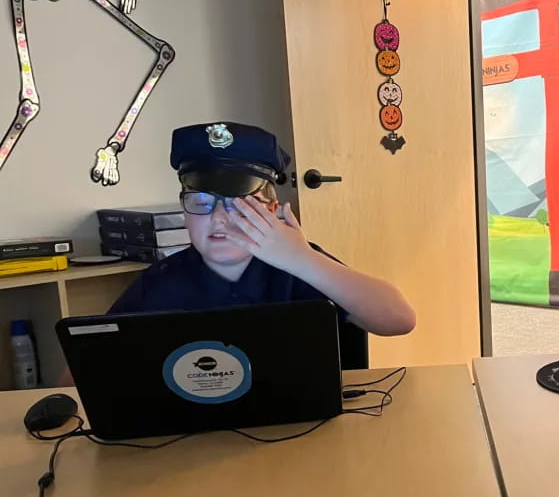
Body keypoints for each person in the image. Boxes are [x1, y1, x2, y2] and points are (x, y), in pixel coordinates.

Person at [107, 122, 416, 338]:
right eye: (201, 202)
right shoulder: (161, 282)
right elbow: (82, 371)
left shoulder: (295, 267)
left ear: (270, 209)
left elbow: (399, 320)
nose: (219, 218)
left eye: (239, 204)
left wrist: (303, 260)